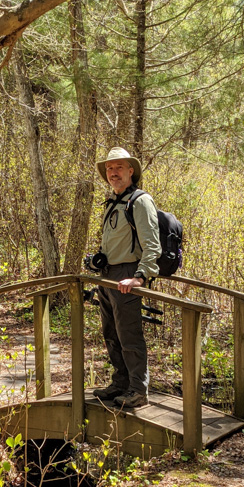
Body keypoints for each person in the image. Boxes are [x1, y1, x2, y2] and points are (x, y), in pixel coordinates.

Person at [91, 147, 161, 409]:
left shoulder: (140, 201)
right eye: (109, 168)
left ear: (131, 171)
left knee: (129, 336)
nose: (113, 172)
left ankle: (137, 390)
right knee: (111, 334)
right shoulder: (113, 202)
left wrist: (140, 278)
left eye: (119, 167)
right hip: (107, 276)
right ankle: (120, 383)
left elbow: (152, 245)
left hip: (128, 276)